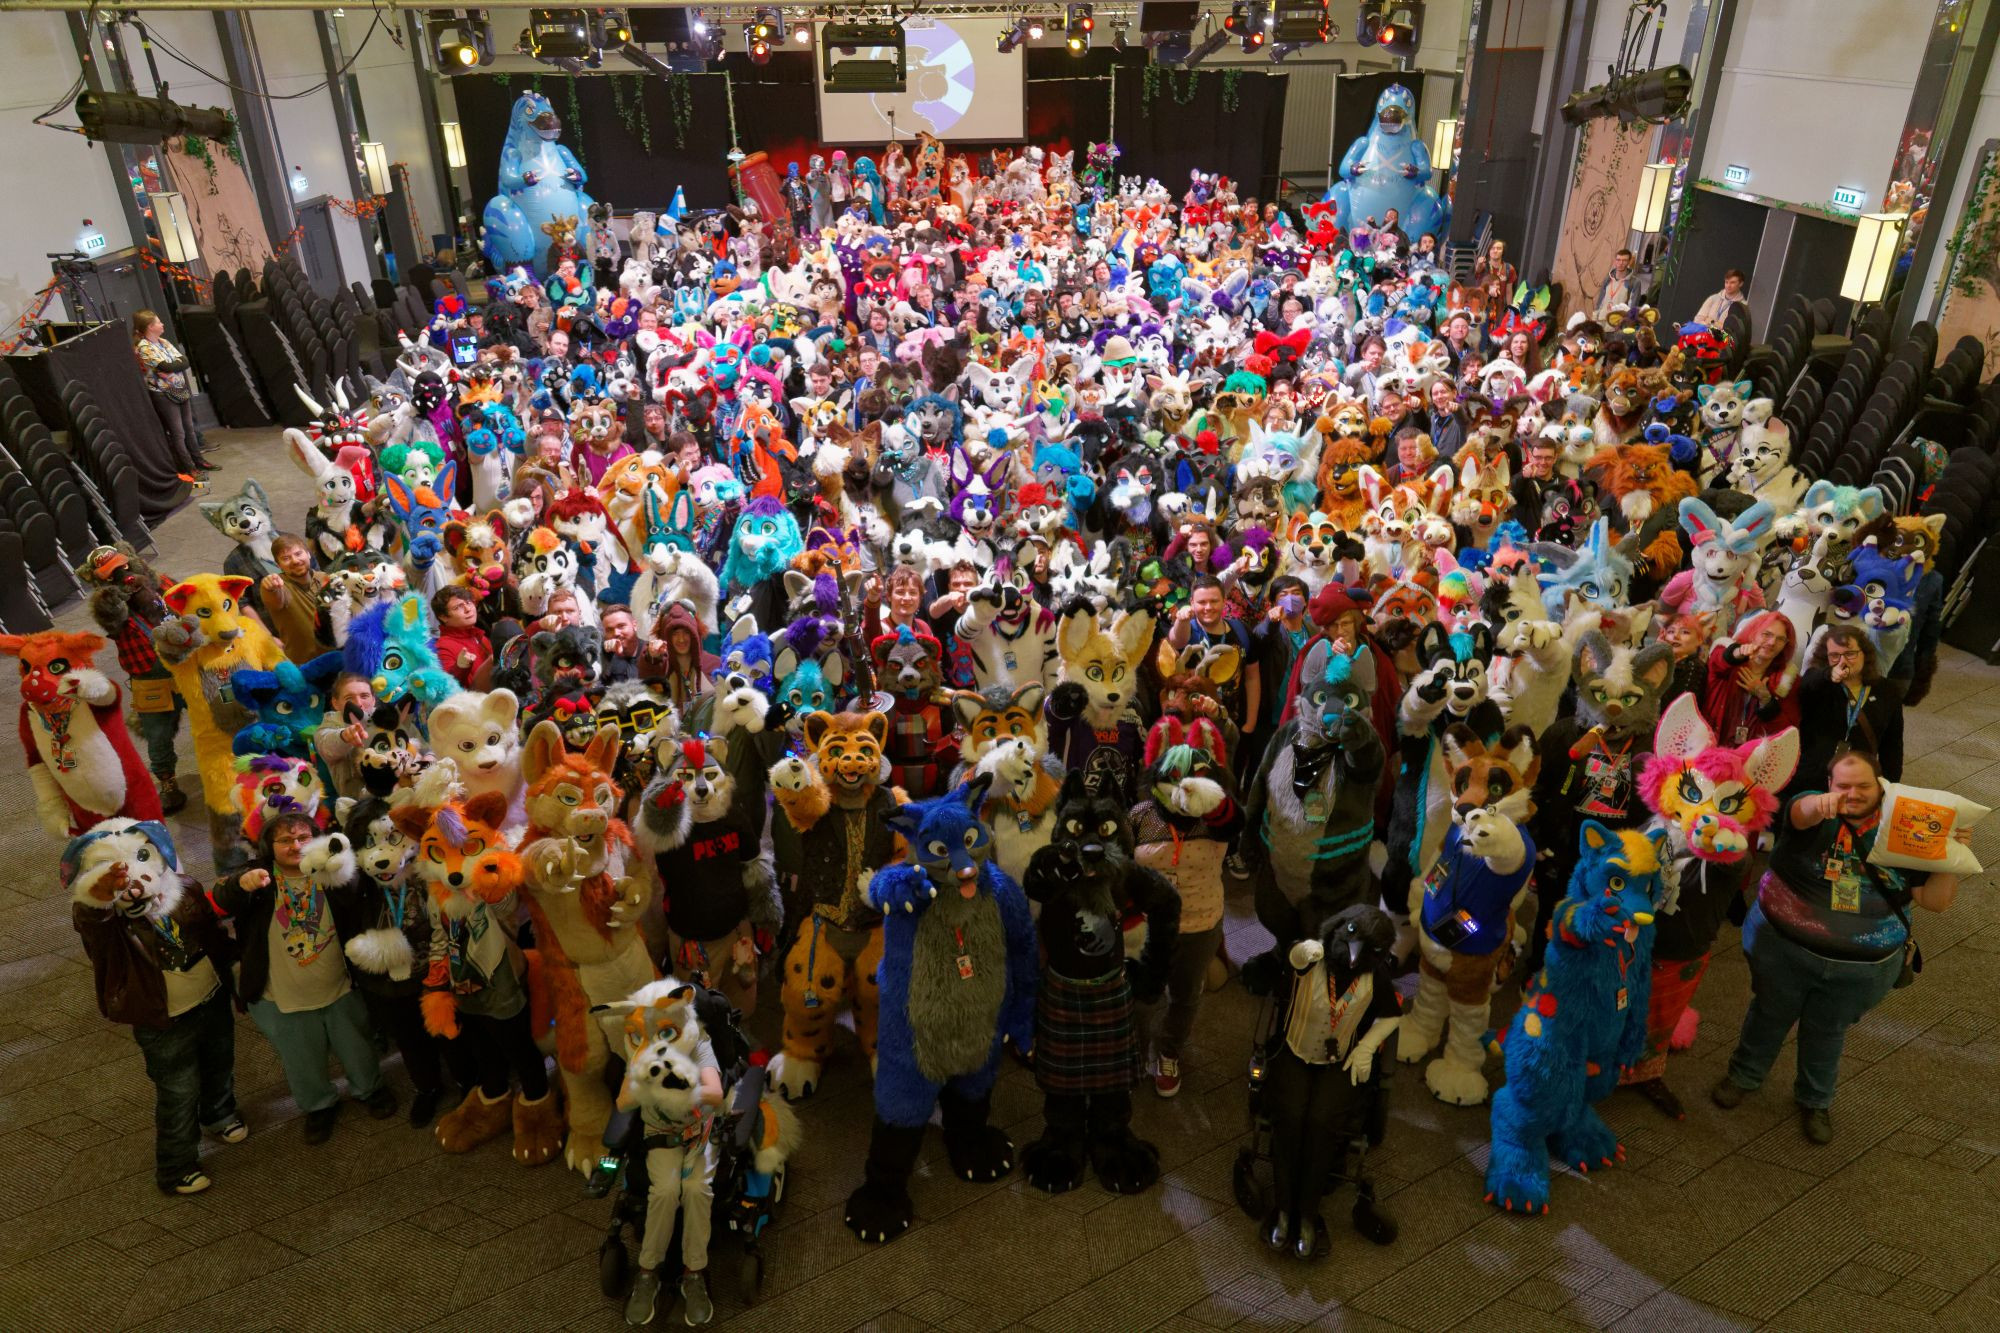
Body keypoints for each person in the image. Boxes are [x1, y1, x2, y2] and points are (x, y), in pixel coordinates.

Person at [1713, 749, 1963, 1142]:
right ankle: (1744, 1075)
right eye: (1842, 785)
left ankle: (1815, 1100)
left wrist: (1952, 857)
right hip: (1783, 951)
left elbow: (1935, 901)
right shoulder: (1814, 810)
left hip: (1860, 967)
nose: (1852, 793)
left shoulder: (1907, 826)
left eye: (1863, 786)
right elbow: (1800, 812)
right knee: (1768, 1014)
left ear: (1881, 786)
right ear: (1828, 784)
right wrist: (1820, 804)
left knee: (1827, 1031)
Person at [67, 824, 247, 1195]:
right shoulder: (110, 922)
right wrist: (100, 897)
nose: (134, 879)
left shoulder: (184, 889)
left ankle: (219, 1113)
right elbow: (92, 923)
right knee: (178, 1090)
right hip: (162, 1019)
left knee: (220, 1061)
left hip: (209, 996)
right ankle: (175, 1165)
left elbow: (211, 933)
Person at [211, 813, 395, 1145]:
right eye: (285, 840)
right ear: (270, 845)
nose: (295, 845)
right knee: (301, 1058)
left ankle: (370, 1090)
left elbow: (356, 891)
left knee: (358, 1046)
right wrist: (242, 884)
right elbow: (223, 898)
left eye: (303, 837)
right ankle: (319, 1106)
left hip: (339, 985)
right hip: (283, 994)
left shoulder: (330, 871)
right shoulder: (259, 876)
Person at [1792, 626, 1904, 792]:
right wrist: (1828, 675)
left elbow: (1892, 746)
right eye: (1834, 656)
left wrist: (1890, 788)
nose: (1842, 661)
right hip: (1813, 776)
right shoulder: (1818, 683)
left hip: (1857, 778)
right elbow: (1808, 684)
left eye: (1850, 654)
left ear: (1864, 654)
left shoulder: (1887, 690)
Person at [132, 310, 215, 475]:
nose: (162, 324)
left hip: (180, 388)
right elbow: (167, 367)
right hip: (163, 393)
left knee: (189, 428)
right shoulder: (144, 347)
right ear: (150, 327)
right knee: (178, 432)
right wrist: (171, 366)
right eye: (158, 322)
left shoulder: (163, 342)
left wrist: (171, 367)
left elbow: (184, 362)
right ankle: (188, 467)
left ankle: (198, 461)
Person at [258, 535, 331, 660]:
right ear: (278, 564)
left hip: (341, 658)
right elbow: (276, 601)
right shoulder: (279, 585)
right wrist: (270, 586)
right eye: (286, 558)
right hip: (304, 665)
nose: (295, 561)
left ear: (308, 554)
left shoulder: (326, 578)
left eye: (298, 554)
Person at [1425, 379, 1467, 463]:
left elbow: (1463, 421)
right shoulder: (1433, 419)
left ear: (1454, 393)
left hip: (1455, 471)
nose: (1439, 396)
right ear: (1432, 399)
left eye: (1443, 392)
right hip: (1436, 470)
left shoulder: (1462, 417)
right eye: (1435, 394)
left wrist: (1458, 410)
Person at [1596, 248, 1639, 317]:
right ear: (1615, 261)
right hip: (1601, 320)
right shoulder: (1608, 278)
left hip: (1617, 323)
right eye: (1618, 260)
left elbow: (1632, 307)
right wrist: (1595, 318)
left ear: (1629, 262)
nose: (1621, 263)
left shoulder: (1634, 282)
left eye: (1624, 260)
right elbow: (1600, 301)